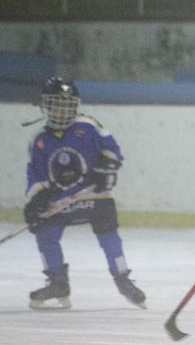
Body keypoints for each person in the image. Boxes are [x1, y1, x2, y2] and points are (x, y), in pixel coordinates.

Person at [24, 77, 146, 310]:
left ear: (75, 106)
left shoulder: (89, 126)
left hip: (95, 195)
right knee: (45, 231)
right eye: (56, 105)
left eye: (66, 105)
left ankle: (122, 279)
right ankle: (58, 282)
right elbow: (35, 175)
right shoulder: (38, 140)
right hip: (60, 200)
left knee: (108, 233)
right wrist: (37, 200)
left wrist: (104, 169)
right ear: (46, 106)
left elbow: (113, 151)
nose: (61, 110)